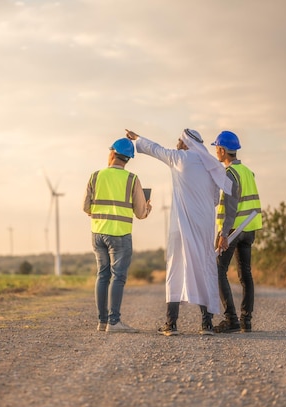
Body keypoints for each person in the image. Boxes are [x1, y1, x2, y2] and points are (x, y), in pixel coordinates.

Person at [125, 128, 232, 336]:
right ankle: (206, 324)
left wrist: (137, 139)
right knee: (204, 268)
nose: (177, 143)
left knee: (175, 268)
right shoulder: (211, 165)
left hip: (180, 225)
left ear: (186, 143)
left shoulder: (178, 158)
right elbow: (215, 199)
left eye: (179, 141)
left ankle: (171, 324)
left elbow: (155, 149)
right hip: (203, 226)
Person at [83, 138, 152, 333]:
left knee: (102, 275)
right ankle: (114, 322)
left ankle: (102, 322)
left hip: (98, 233)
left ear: (112, 153)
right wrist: (148, 208)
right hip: (120, 235)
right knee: (118, 277)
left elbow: (85, 207)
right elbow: (140, 213)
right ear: (128, 158)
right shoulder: (132, 179)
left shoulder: (95, 176)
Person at [211, 130, 262, 333]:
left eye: (216, 148)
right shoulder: (248, 172)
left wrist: (223, 235)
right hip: (249, 229)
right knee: (245, 274)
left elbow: (231, 208)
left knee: (218, 270)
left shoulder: (229, 174)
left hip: (233, 230)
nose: (216, 151)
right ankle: (246, 321)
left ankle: (231, 318)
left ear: (222, 151)